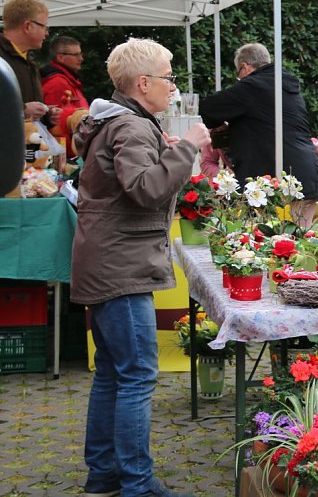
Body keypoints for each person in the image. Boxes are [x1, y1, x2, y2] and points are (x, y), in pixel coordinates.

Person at [70, 38, 211, 497]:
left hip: (108, 259)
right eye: (169, 77)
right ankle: (136, 483)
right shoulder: (130, 127)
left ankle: (106, 477)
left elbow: (133, 180)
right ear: (144, 82)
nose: (174, 87)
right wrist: (187, 146)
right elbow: (146, 190)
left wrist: (163, 147)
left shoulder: (118, 122)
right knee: (137, 375)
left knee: (113, 372)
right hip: (121, 267)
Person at [200, 43, 318, 228]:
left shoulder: (252, 85)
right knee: (301, 239)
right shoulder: (287, 84)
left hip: (272, 173)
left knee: (264, 245)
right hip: (306, 169)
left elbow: (208, 107)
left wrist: (220, 127)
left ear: (244, 67)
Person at [0, 0, 54, 122]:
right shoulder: (2, 60)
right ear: (28, 26)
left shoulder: (28, 62)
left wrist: (47, 115)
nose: (46, 33)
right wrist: (22, 110)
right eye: (44, 26)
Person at [40, 35, 90, 159]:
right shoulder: (58, 83)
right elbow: (56, 127)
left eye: (81, 54)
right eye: (76, 55)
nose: (81, 58)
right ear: (60, 57)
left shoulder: (69, 81)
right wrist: (72, 157)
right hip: (67, 156)